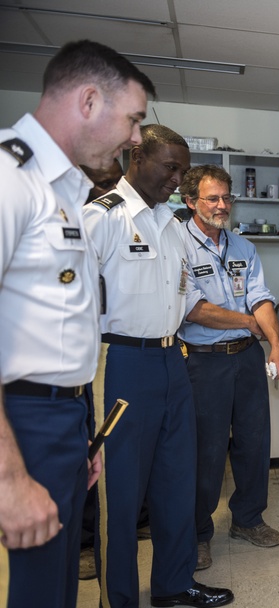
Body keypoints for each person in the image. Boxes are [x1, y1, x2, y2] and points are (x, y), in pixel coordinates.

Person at [0, 39, 149, 608]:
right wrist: (9, 480)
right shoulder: (12, 177)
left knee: (60, 592)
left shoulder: (67, 189)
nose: (137, 138)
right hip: (25, 421)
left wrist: (81, 433)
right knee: (37, 602)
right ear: (89, 100)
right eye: (134, 118)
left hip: (63, 416)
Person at [84, 124, 234, 608]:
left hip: (174, 360)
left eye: (181, 169)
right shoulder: (100, 217)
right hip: (122, 362)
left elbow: (188, 298)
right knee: (120, 497)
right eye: (169, 167)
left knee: (178, 480)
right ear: (135, 155)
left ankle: (173, 582)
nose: (178, 178)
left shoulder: (171, 227)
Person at [178, 164, 279, 571]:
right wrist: (248, 322)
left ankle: (247, 519)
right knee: (206, 451)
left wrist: (275, 343)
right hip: (204, 364)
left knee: (254, 442)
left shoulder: (243, 247)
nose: (222, 205)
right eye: (213, 198)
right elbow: (193, 309)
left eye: (227, 197)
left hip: (247, 358)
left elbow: (260, 296)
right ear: (191, 202)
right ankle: (199, 532)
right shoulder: (179, 245)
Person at [77, 157, 126, 582]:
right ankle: (83, 545)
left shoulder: (134, 221)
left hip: (125, 355)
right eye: (102, 182)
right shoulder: (89, 222)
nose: (109, 189)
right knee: (94, 453)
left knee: (115, 458)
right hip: (93, 358)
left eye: (114, 181)